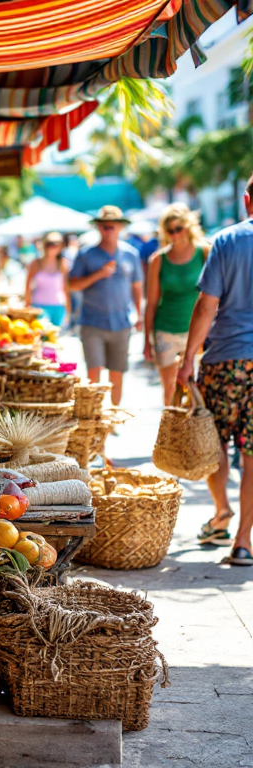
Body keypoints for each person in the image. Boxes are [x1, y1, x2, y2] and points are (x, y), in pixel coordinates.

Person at [177, 174, 253, 564]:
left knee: (215, 440)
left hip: (227, 358)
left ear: (246, 200)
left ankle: (222, 513)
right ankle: (244, 540)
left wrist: (188, 357)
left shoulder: (228, 240)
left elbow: (207, 305)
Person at [67, 205, 143, 406]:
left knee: (117, 374)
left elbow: (137, 287)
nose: (108, 230)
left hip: (121, 323)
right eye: (104, 227)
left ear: (120, 228)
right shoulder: (86, 255)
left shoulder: (131, 254)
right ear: (98, 228)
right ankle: (94, 417)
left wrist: (140, 315)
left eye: (112, 227)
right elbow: (72, 285)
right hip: (92, 323)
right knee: (94, 373)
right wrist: (98, 274)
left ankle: (113, 417)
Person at [143, 203, 209, 406]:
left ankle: (192, 437)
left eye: (178, 228)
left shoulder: (205, 252)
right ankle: (172, 436)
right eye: (169, 230)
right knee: (170, 390)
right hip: (166, 329)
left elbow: (215, 295)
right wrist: (146, 340)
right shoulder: (158, 260)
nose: (174, 234)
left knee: (195, 391)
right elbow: (152, 303)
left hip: (197, 330)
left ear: (188, 227)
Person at [24, 232, 71, 327]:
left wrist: (68, 309)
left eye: (56, 244)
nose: (52, 247)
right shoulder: (36, 263)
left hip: (58, 306)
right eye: (50, 244)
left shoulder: (63, 263)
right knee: (40, 334)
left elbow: (65, 287)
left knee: (54, 336)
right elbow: (28, 285)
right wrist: (27, 305)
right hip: (39, 305)